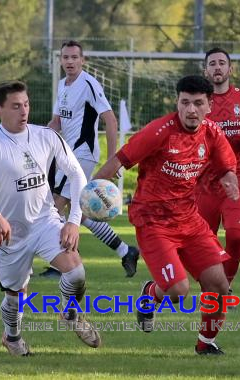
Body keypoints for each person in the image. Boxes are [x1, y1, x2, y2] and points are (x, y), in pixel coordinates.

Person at [93, 75, 239, 355]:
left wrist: (230, 177)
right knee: (177, 291)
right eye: (185, 103)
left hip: (189, 220)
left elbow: (226, 166)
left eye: (198, 103)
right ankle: (149, 295)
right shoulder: (159, 131)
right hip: (153, 221)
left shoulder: (212, 133)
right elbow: (119, 161)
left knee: (219, 287)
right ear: (177, 103)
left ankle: (205, 345)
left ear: (209, 105)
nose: (191, 110)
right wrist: (92, 193)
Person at [0, 80, 101, 356]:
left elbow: (76, 174)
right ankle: (12, 337)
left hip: (46, 221)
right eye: (15, 106)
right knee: (16, 296)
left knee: (76, 272)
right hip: (11, 234)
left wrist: (73, 220)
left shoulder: (46, 136)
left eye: (26, 104)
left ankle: (69, 314)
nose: (23, 111)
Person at [47, 40, 139, 278]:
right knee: (82, 213)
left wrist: (112, 160)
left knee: (56, 204)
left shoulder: (89, 84)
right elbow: (57, 122)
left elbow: (111, 120)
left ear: (82, 60)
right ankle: (125, 250)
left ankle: (63, 265)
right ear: (60, 60)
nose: (69, 62)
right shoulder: (62, 85)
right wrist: (39, 137)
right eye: (65, 57)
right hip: (66, 153)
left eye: (74, 57)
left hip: (82, 153)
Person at [197, 47, 240, 295]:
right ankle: (210, 287)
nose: (217, 67)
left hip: (237, 178)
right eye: (212, 63)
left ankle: (226, 285)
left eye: (222, 63)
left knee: (235, 235)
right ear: (206, 70)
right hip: (204, 183)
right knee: (204, 240)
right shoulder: (199, 102)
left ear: (230, 69)